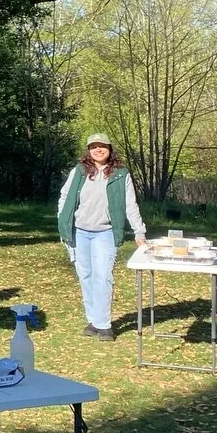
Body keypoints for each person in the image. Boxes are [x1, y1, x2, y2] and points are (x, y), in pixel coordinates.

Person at [57, 133, 147, 341]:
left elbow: (130, 205)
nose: (98, 150)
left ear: (109, 149)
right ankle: (94, 320)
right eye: (94, 146)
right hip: (78, 232)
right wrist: (63, 222)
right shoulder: (79, 172)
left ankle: (104, 324)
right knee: (86, 276)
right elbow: (64, 196)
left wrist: (139, 231)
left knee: (103, 277)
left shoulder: (120, 174)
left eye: (102, 146)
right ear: (88, 150)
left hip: (105, 233)